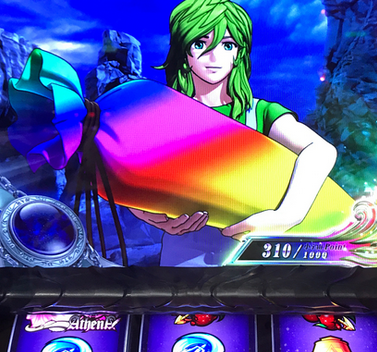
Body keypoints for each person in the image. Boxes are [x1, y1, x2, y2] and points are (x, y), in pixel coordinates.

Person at [129, 0, 340, 264]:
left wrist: (288, 215)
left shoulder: (259, 113)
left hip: (250, 259)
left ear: (239, 52)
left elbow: (320, 150)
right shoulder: (164, 117)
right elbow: (130, 170)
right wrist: (141, 209)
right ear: (184, 50)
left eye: (227, 45)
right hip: (182, 257)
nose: (214, 58)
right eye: (201, 44)